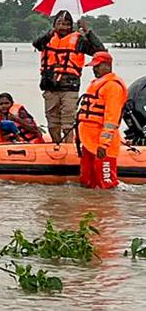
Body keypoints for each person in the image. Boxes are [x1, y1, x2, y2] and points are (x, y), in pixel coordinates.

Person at [33, 10, 105, 143]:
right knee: (52, 123)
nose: (63, 27)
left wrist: (88, 31)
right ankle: (57, 146)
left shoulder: (79, 40)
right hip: (50, 87)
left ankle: (69, 148)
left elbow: (99, 51)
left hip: (69, 88)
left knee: (67, 122)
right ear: (54, 25)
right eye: (60, 23)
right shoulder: (47, 39)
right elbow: (36, 44)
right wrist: (50, 33)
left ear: (71, 26)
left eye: (66, 24)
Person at [76, 51, 127, 189]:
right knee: (87, 181)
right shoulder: (97, 84)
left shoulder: (113, 87)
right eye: (93, 66)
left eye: (97, 66)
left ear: (107, 66)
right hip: (89, 141)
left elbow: (112, 118)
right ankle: (92, 206)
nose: (94, 69)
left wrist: (104, 144)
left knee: (106, 184)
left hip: (102, 144)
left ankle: (108, 209)